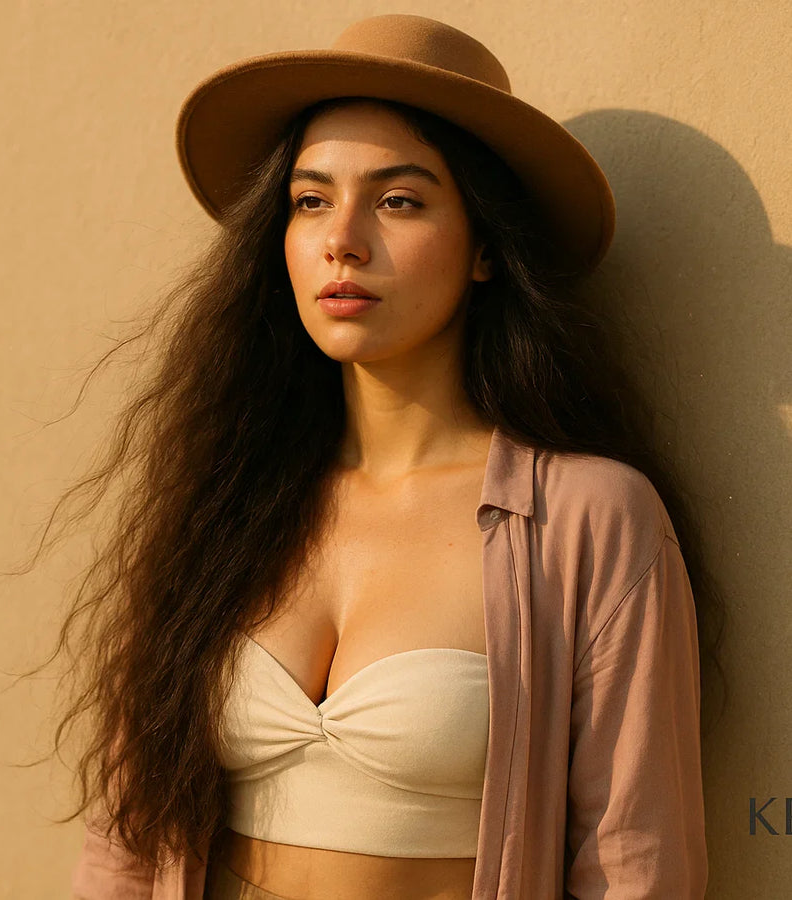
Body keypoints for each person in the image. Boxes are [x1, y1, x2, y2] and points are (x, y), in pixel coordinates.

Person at [58, 13, 713, 899]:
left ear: (485, 248)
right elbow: (126, 848)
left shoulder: (589, 519)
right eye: (310, 199)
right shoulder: (224, 502)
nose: (343, 239)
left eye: (398, 200)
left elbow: (636, 866)